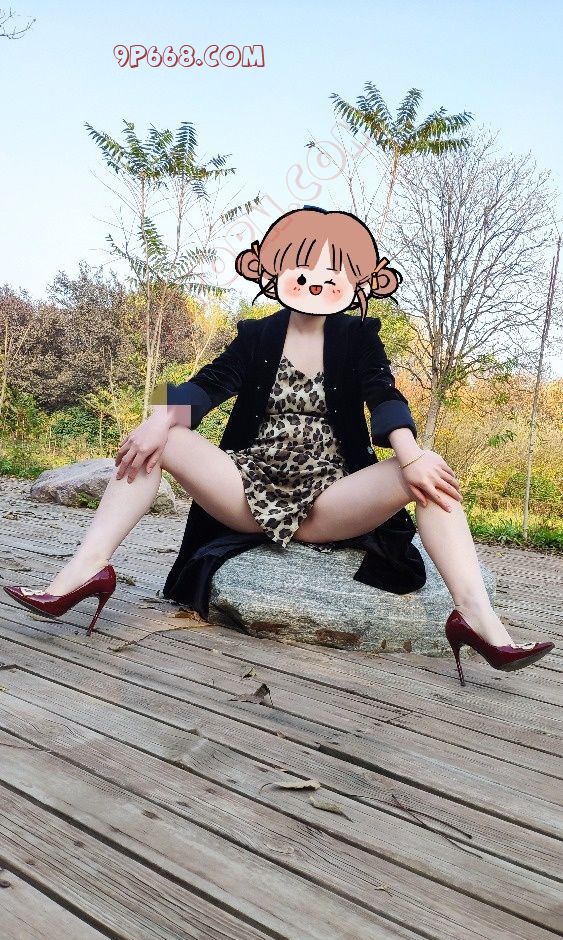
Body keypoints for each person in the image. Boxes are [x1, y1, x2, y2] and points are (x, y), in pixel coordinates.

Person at [4, 206, 554, 685]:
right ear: (270, 272)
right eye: (302, 270)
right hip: (248, 488)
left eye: (333, 273)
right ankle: (84, 570)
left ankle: (477, 617)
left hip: (331, 499)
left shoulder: (360, 337)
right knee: (157, 437)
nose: (316, 283)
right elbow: (204, 384)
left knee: (430, 471)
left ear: (360, 281)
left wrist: (411, 454)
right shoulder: (256, 335)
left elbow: (384, 395)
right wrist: (154, 417)